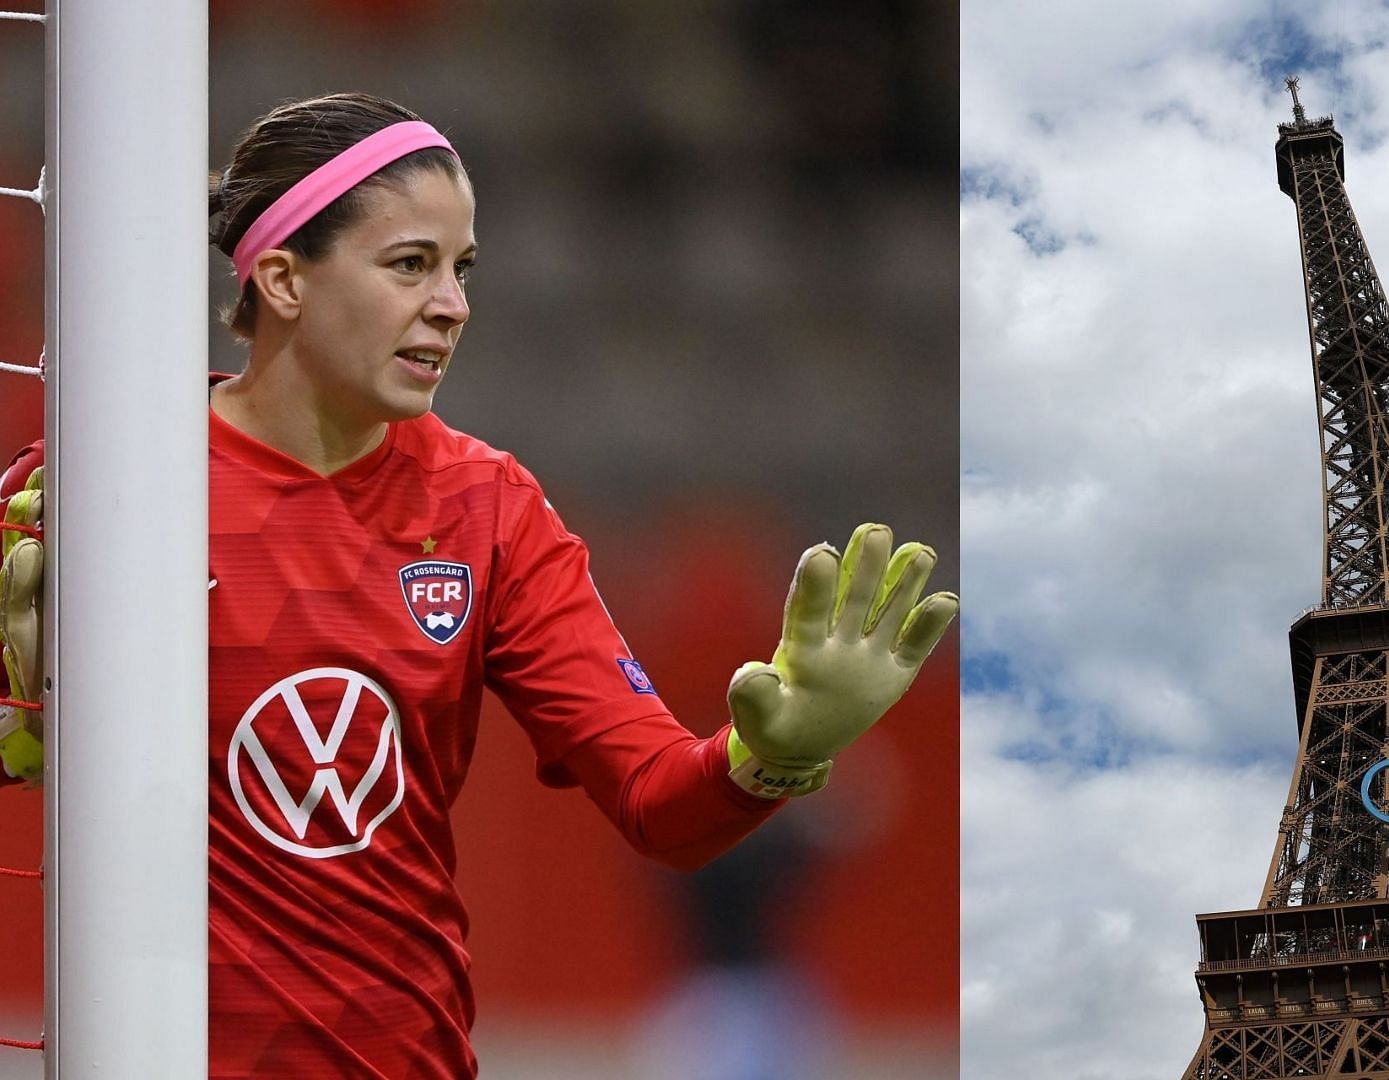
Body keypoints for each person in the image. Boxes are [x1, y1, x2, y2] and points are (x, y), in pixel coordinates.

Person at [4, 91, 957, 1078]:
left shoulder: (490, 509)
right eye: (411, 264)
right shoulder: (100, 484)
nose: (453, 303)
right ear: (285, 280)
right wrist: (15, 723)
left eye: (462, 269)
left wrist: (772, 756)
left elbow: (660, 806)